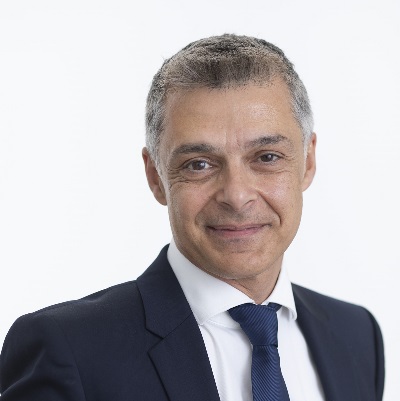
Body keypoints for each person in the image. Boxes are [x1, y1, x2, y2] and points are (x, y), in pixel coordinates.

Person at [0, 34, 384, 401]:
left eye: (267, 157)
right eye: (199, 164)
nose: (237, 196)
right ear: (156, 177)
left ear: (308, 161)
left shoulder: (357, 336)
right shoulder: (70, 349)